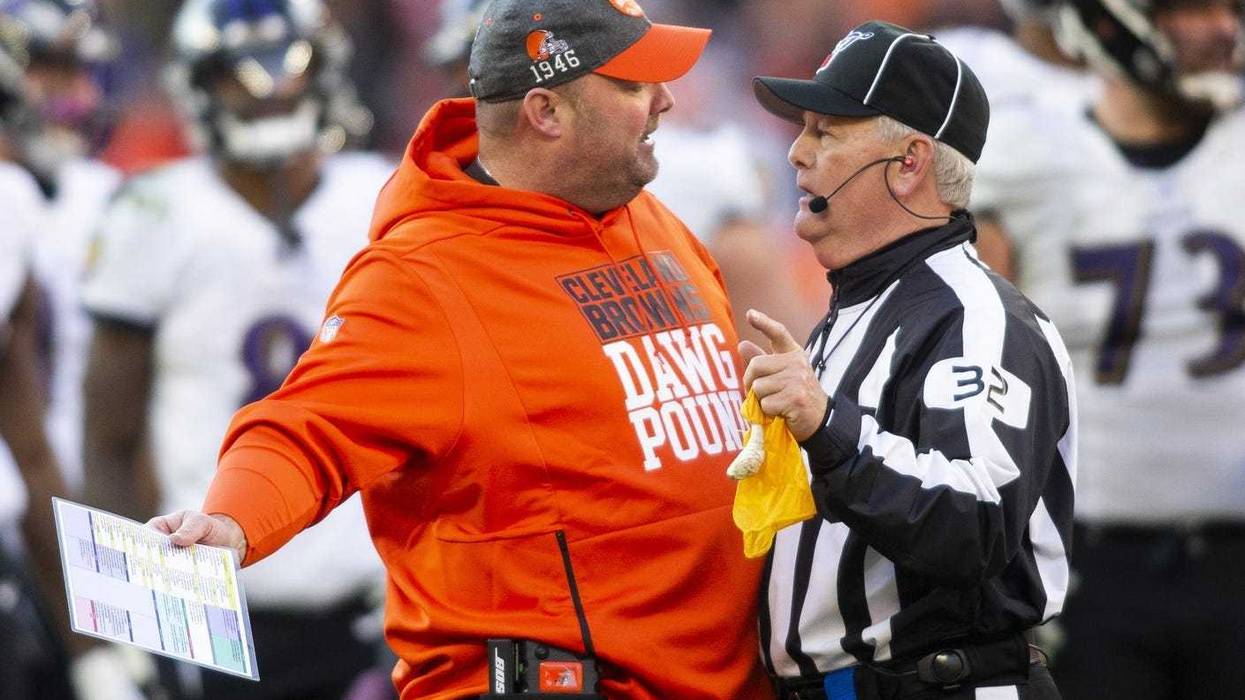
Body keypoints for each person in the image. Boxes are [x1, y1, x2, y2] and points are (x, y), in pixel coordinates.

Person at [146, 0, 773, 698]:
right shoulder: (425, 276)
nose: (665, 100)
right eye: (631, 85)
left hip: (718, 674)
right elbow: (305, 426)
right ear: (546, 112)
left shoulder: (654, 221)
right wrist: (230, 521)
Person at [747, 20, 1076, 700]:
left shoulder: (974, 317)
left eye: (825, 131)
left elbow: (974, 521)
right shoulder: (860, 307)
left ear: (908, 162)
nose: (796, 154)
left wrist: (825, 425)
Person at [80, 1, 392, 699]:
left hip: (377, 601)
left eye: (291, 64)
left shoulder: (383, 197)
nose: (268, 88)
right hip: (218, 608)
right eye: (238, 74)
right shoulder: (156, 212)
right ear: (199, 85)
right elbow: (109, 441)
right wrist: (127, 623)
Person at [968, 0, 1245, 697]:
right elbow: (981, 379)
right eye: (1188, 8)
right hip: (1090, 562)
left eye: (1228, 7)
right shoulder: (1024, 160)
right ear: (1106, 19)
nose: (1218, 28)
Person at [426, 0, 817, 345]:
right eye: (465, 74)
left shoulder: (683, 176)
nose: (475, 91)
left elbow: (790, 362)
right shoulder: (423, 248)